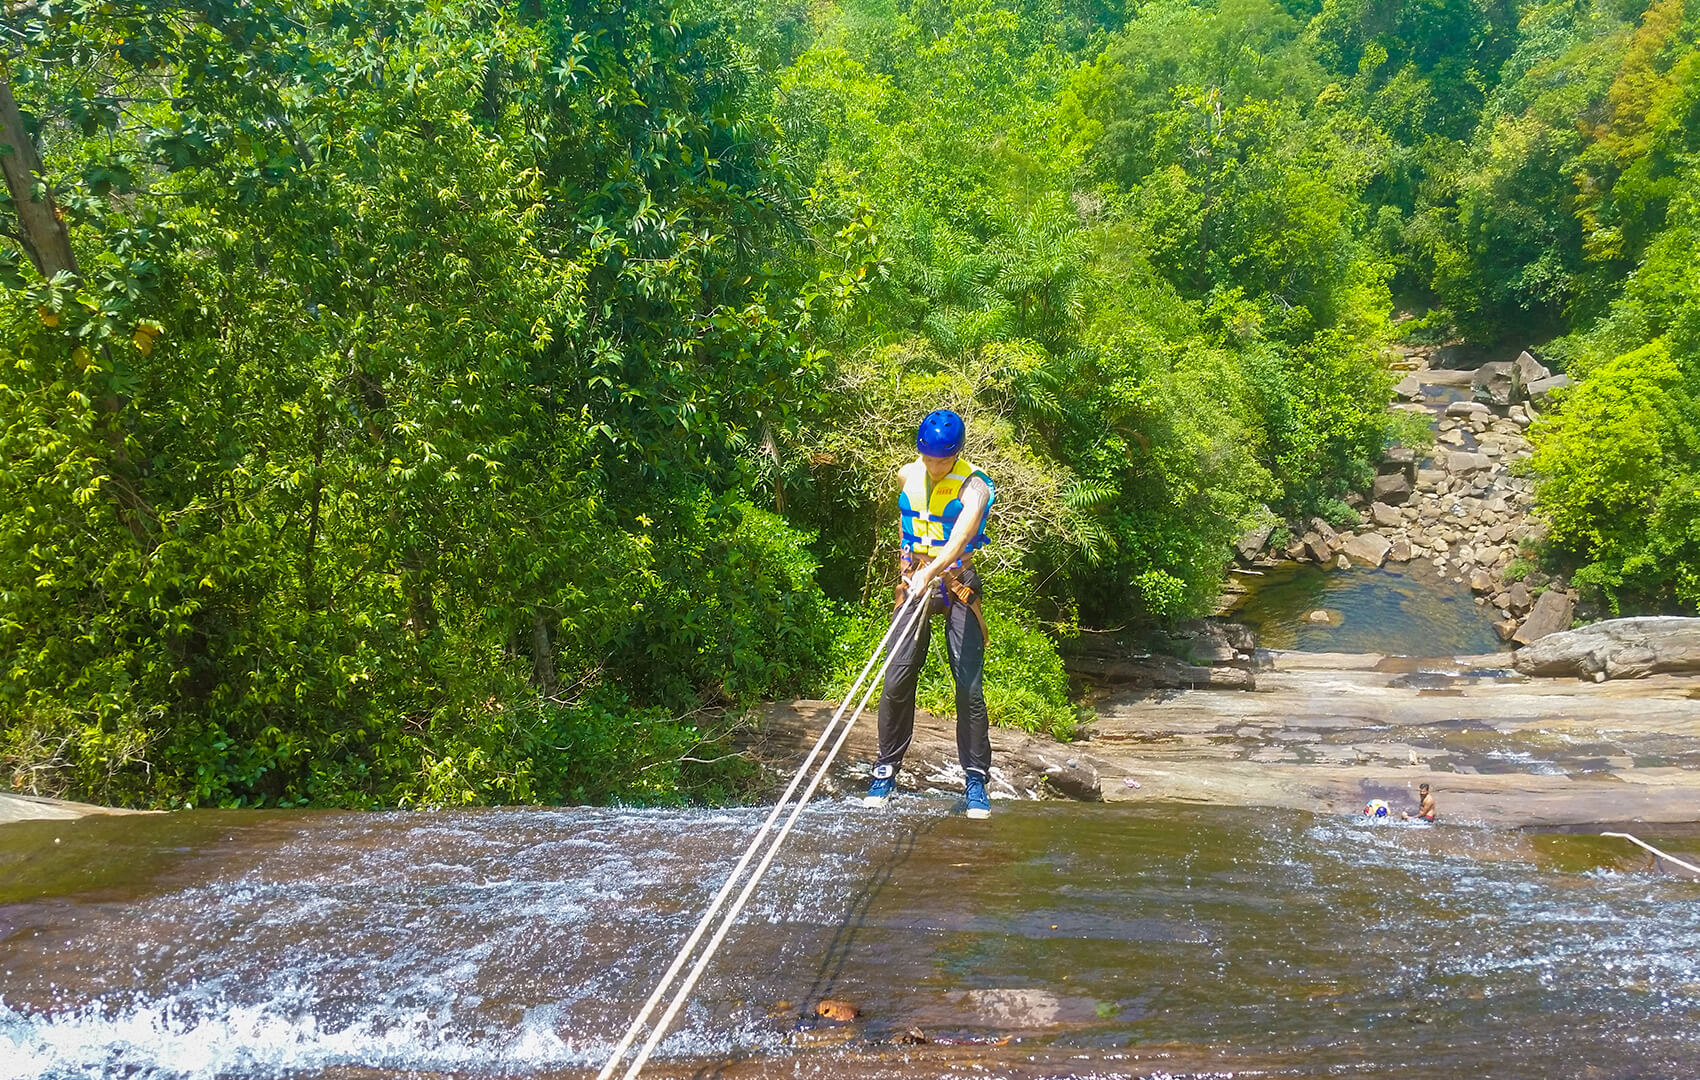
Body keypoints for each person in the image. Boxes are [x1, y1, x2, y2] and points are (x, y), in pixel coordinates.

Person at [863, 409, 996, 819]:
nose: (934, 467)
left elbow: (959, 537)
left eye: (942, 461)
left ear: (956, 455)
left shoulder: (975, 486)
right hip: (914, 581)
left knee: (968, 686)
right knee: (897, 678)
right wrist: (915, 575)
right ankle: (886, 770)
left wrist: (932, 573)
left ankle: (975, 780)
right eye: (929, 459)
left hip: (955, 583)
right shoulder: (907, 474)